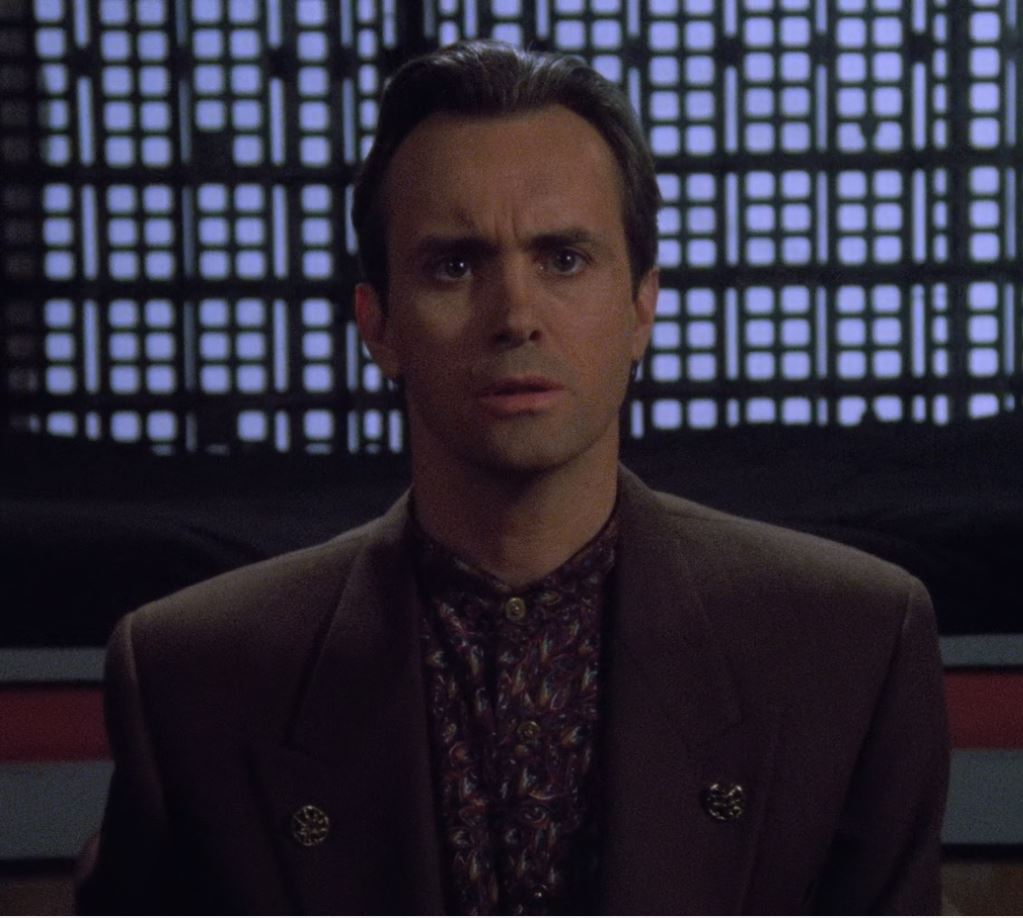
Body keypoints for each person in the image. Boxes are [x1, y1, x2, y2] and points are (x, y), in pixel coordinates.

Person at [77, 41, 949, 914]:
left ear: (642, 308)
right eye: (455, 266)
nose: (516, 315)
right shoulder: (196, 677)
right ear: (377, 325)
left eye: (563, 259)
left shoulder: (849, 648)